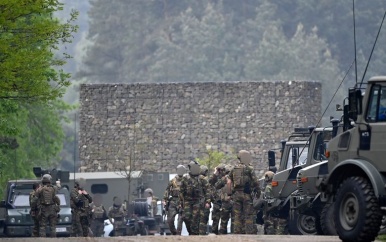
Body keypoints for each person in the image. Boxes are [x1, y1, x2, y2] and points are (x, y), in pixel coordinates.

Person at [228, 150, 261, 234]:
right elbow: (255, 182)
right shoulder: (249, 168)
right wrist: (258, 192)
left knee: (237, 215)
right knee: (249, 215)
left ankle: (237, 233)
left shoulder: (233, 169)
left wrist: (230, 193)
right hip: (247, 194)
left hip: (236, 194)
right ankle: (249, 234)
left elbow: (229, 181)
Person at [163, 164, 185, 235]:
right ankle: (174, 232)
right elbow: (167, 190)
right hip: (173, 201)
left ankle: (178, 235)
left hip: (182, 201)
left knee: (180, 220)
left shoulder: (186, 181)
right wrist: (165, 200)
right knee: (170, 220)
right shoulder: (172, 181)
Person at [208, 163, 226, 234]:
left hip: (224, 201)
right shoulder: (215, 177)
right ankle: (214, 234)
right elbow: (209, 182)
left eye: (221, 170)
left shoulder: (226, 177)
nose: (220, 171)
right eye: (219, 170)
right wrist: (215, 173)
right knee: (215, 220)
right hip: (217, 201)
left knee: (224, 222)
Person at [215, 164, 234, 234]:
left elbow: (217, 185)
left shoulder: (225, 178)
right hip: (233, 201)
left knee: (223, 221)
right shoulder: (236, 177)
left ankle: (222, 237)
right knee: (234, 222)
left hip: (226, 202)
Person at [199, 165, 211, 234]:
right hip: (201, 202)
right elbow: (208, 191)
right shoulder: (203, 179)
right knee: (203, 219)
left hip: (201, 202)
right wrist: (208, 201)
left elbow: (207, 191)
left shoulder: (202, 179)